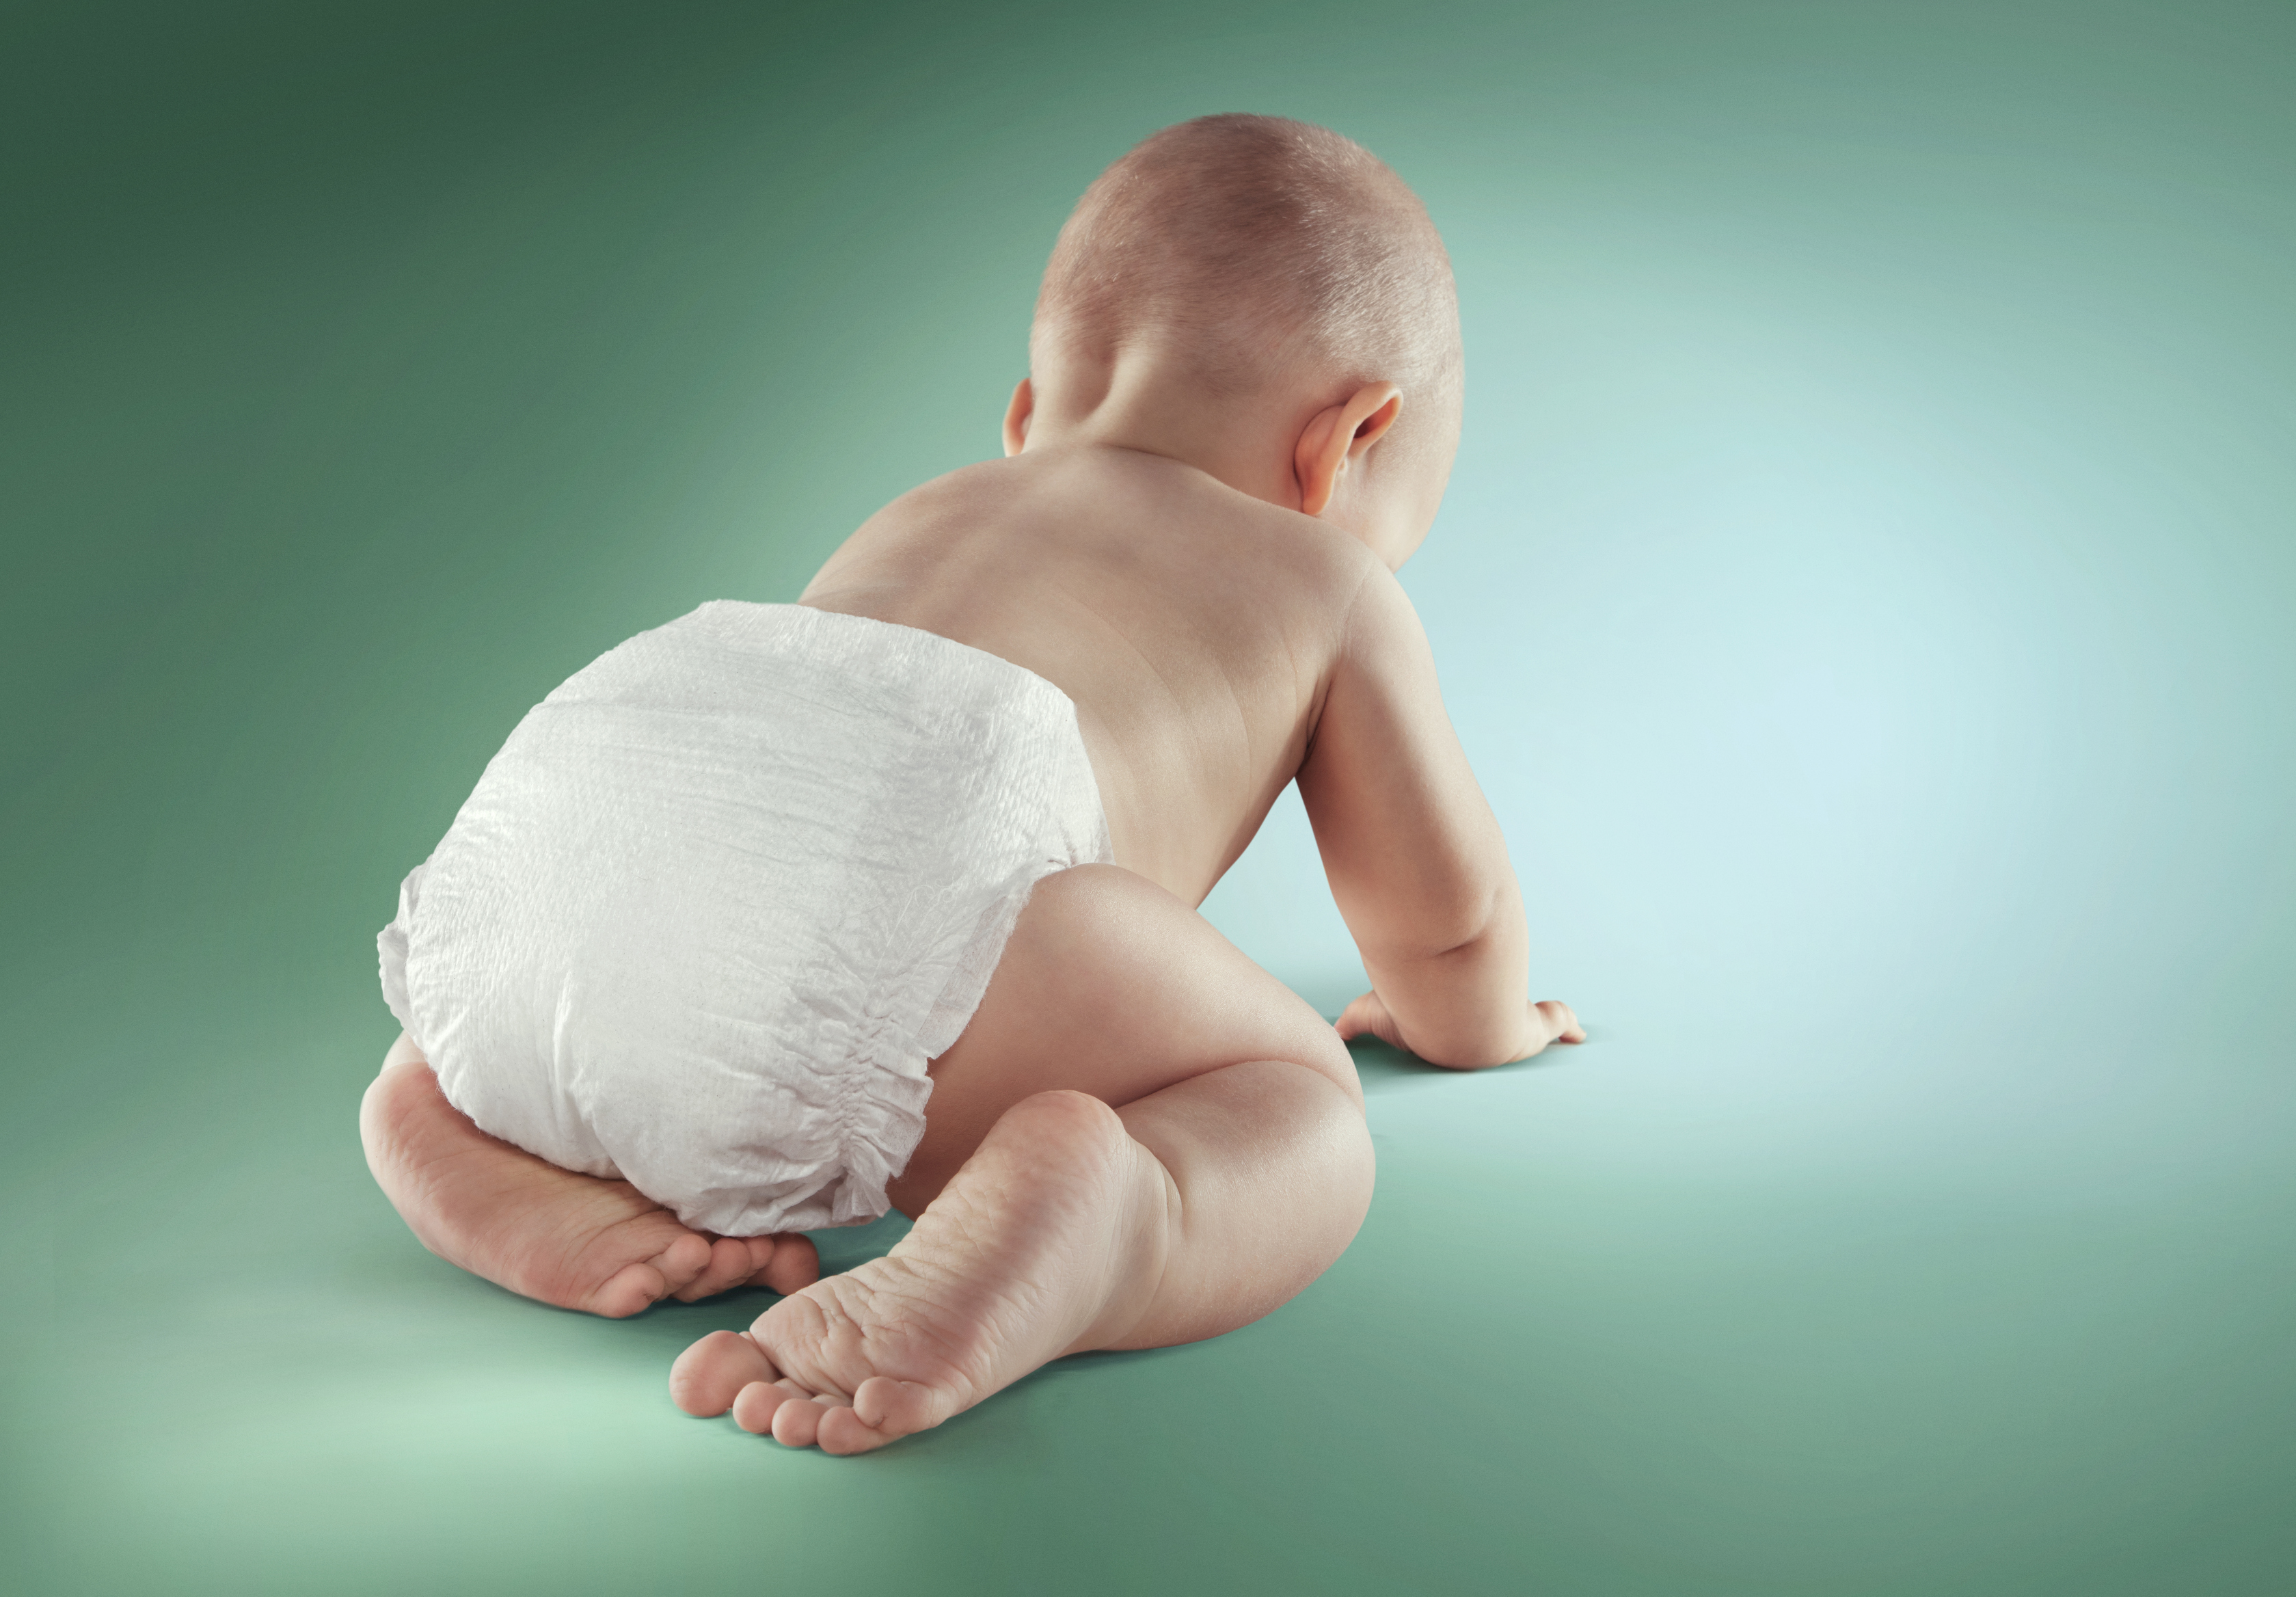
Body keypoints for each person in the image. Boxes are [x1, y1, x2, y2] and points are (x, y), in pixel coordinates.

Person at [358, 113, 1582, 1455]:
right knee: (1294, 1103)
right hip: (921, 900)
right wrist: (1479, 1023)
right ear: (1349, 442)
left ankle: (448, 1120)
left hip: (575, 834)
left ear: (1021, 421)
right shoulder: (1322, 578)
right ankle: (1113, 1216)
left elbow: (792, 813)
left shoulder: (923, 509)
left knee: (553, 990)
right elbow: (1444, 924)